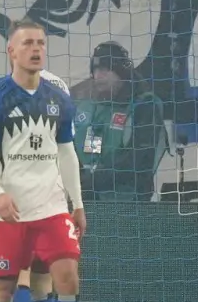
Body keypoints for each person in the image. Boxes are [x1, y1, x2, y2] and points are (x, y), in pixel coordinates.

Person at [0, 19, 85, 302]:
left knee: (67, 279)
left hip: (51, 208)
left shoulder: (59, 100)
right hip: (10, 212)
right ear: (11, 51)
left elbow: (67, 152)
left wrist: (76, 202)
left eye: (40, 43)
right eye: (28, 44)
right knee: (3, 293)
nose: (36, 49)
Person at [70, 44, 166, 201]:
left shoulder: (144, 105)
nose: (98, 76)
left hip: (130, 202)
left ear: (121, 72)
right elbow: (85, 149)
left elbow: (139, 159)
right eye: (95, 70)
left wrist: (94, 180)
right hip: (90, 198)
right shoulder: (90, 108)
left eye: (105, 70)